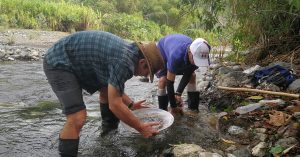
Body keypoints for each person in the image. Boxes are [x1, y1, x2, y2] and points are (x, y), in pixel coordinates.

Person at [43, 30, 165, 156]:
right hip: (59, 62)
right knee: (77, 118)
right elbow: (115, 105)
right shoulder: (124, 62)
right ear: (142, 63)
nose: (145, 76)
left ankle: (108, 137)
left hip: (77, 60)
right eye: (147, 73)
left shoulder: (129, 54)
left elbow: (112, 88)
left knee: (106, 91)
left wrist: (130, 105)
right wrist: (141, 127)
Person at [155, 34, 211, 115]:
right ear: (189, 52)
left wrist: (178, 94)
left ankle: (193, 109)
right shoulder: (176, 56)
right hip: (163, 49)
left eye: (198, 61)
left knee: (193, 76)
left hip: (177, 46)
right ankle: (163, 112)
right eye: (195, 60)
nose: (196, 63)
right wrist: (174, 106)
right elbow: (170, 82)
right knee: (163, 79)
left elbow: (188, 74)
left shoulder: (201, 54)